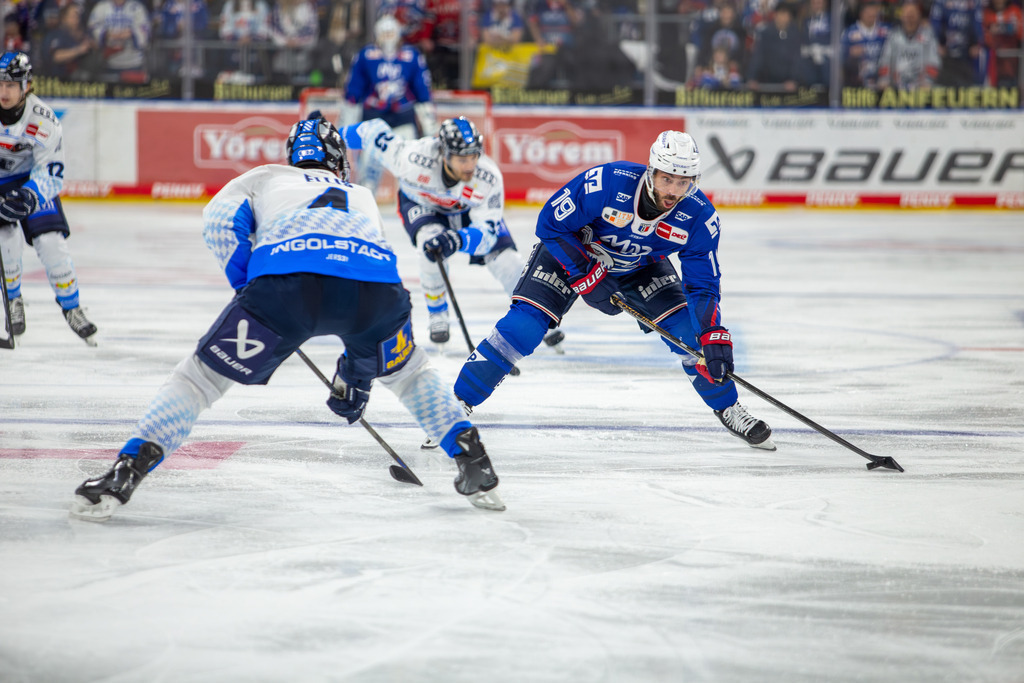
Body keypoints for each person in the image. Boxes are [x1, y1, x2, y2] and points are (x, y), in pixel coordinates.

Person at [69, 114, 506, 523]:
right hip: (377, 292)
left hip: (285, 287)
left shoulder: (265, 177)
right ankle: (475, 463)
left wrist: (249, 287)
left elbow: (218, 222)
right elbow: (370, 264)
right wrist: (356, 377)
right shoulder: (360, 194)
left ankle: (127, 471)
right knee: (410, 374)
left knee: (199, 380)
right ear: (338, 160)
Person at [453, 131, 776, 451]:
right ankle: (455, 406)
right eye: (667, 179)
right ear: (651, 172)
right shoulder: (608, 182)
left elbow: (703, 283)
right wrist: (586, 275)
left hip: (640, 266)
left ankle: (728, 407)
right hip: (571, 254)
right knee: (523, 327)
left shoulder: (699, 216)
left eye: (683, 182)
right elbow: (550, 223)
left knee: (692, 338)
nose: (673, 191)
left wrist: (711, 333)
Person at [340, 114, 565, 352]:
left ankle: (537, 312)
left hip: (468, 211)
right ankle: (437, 313)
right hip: (423, 205)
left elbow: (488, 235)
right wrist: (332, 134)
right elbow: (372, 131)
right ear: (444, 153)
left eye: (474, 156)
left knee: (507, 261)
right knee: (430, 246)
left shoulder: (488, 177)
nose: (470, 165)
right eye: (462, 159)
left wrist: (458, 240)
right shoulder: (412, 158)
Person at [0, 51, 98, 345]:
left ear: (27, 86)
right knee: (5, 239)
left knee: (51, 241)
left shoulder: (44, 120)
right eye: (0, 84)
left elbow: (51, 172)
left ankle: (72, 307)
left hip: (29, 183)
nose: (4, 92)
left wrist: (29, 196)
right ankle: (13, 301)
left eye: (11, 85)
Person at [340, 14, 436, 195]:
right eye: (384, 33)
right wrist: (347, 118)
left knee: (410, 166)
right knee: (369, 170)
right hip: (374, 118)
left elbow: (422, 91)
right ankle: (366, 202)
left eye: (391, 33)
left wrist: (429, 124)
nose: (388, 37)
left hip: (403, 116)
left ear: (398, 34)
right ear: (377, 35)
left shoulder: (412, 56)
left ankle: (412, 200)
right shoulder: (366, 55)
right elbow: (354, 90)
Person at [876, 0, 940, 90]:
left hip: (921, 87)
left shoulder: (928, 36)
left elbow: (933, 63)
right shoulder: (893, 36)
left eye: (912, 15)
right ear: (902, 16)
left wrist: (927, 80)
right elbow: (885, 61)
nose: (910, 18)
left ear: (919, 16)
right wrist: (885, 79)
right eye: (907, 15)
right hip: (896, 87)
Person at [841, 0, 890, 89]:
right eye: (868, 12)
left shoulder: (886, 30)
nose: (871, 14)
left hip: (882, 80)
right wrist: (850, 53)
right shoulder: (850, 32)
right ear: (861, 13)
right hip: (857, 82)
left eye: (873, 11)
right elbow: (840, 57)